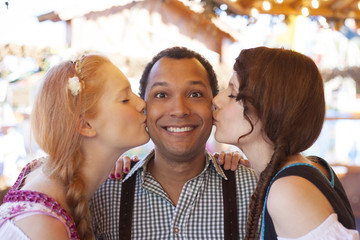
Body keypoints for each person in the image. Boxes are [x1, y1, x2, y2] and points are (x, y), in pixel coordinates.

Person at [90, 47, 258, 239]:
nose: (179, 110)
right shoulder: (103, 194)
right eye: (161, 95)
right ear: (143, 108)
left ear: (213, 105)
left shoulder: (253, 190)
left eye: (195, 94)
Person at [212, 47, 359, 240]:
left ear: (270, 109)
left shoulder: (288, 190)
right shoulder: (310, 168)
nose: (216, 100)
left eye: (232, 94)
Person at [0, 54, 150, 240]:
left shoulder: (45, 170)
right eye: (125, 99)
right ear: (85, 125)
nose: (142, 103)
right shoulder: (44, 228)